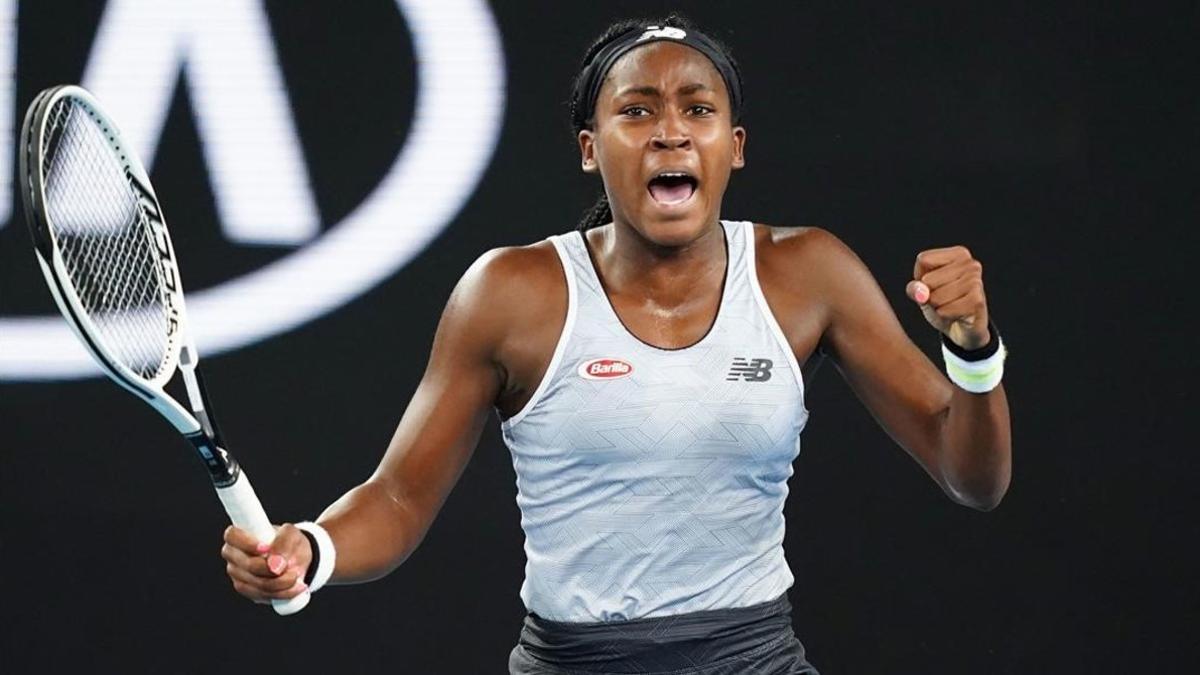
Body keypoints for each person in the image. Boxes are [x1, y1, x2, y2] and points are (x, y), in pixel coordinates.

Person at [221, 14, 1011, 675]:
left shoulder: (808, 274)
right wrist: (313, 548)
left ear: (733, 146)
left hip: (753, 658)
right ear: (591, 147)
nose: (670, 131)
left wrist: (974, 351)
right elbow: (397, 497)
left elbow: (972, 475)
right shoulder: (511, 292)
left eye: (697, 110)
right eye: (636, 110)